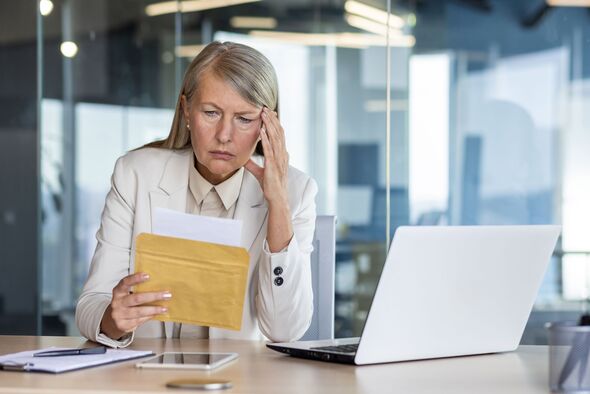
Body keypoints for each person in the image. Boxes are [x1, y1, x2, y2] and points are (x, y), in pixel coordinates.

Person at [75, 41, 317, 348]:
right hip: (146, 379)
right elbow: (89, 307)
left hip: (241, 383)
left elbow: (285, 329)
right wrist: (113, 319)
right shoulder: (135, 174)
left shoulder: (297, 192)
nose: (224, 135)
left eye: (244, 119)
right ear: (187, 109)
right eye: (211, 113)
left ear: (267, 125)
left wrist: (278, 203)